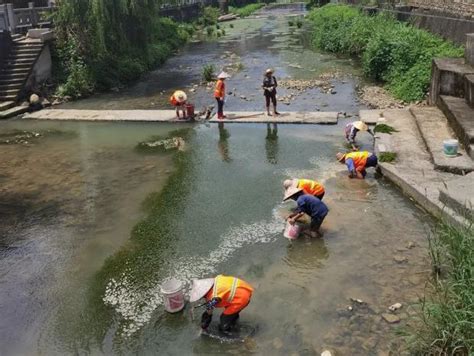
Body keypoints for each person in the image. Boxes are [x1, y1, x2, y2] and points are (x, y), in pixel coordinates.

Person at [189, 275, 254, 332]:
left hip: (241, 299)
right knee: (230, 312)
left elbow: (210, 310)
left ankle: (229, 330)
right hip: (244, 288)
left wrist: (204, 324)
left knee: (224, 320)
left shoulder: (213, 296)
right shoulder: (217, 279)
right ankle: (234, 319)